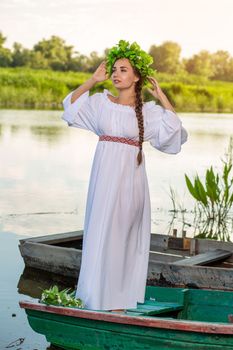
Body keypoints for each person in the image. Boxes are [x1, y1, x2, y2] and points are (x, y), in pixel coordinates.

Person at [61, 40, 188, 312]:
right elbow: (70, 109)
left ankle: (119, 300)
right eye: (114, 69)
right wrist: (93, 80)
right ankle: (94, 298)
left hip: (131, 183)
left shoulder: (149, 112)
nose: (116, 74)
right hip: (104, 178)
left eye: (124, 70)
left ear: (137, 76)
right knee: (100, 232)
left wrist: (161, 96)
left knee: (124, 236)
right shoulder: (101, 104)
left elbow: (174, 132)